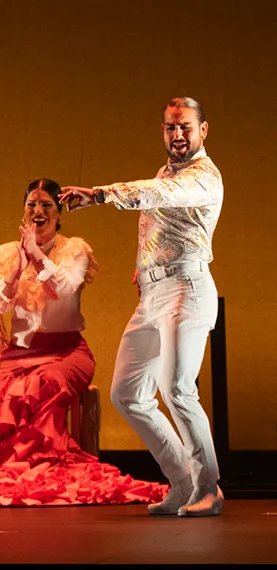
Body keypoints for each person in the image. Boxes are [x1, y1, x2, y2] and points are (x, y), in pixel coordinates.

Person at [0, 179, 167, 507]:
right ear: (24, 211)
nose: (38, 212)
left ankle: (38, 464)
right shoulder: (10, 253)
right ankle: (0, 467)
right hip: (18, 354)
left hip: (65, 352)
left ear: (58, 213)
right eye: (32, 205)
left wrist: (38, 257)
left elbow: (63, 288)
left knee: (41, 384)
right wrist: (19, 266)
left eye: (46, 206)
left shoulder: (74, 249)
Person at [59, 97, 224, 517]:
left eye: (186, 126)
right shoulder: (166, 171)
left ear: (203, 130)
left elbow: (157, 196)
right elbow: (160, 221)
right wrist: (143, 266)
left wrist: (99, 195)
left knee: (178, 390)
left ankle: (209, 486)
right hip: (153, 294)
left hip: (185, 288)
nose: (178, 134)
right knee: (127, 394)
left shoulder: (204, 176)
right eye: (170, 127)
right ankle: (183, 481)